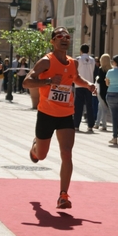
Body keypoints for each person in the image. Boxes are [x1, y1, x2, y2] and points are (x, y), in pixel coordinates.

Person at [23, 27, 95, 209]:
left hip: (65, 115)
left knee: (67, 153)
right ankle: (35, 148)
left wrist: (88, 85)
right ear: (52, 41)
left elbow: (75, 78)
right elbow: (26, 82)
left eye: (67, 37)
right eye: (59, 37)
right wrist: (47, 81)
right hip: (46, 114)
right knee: (41, 155)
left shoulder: (73, 63)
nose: (64, 39)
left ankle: (63, 195)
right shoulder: (46, 62)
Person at [74, 44, 96, 132]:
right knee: (89, 105)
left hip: (79, 84)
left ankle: (76, 125)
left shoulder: (78, 59)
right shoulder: (92, 60)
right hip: (89, 84)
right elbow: (93, 70)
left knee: (78, 105)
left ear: (81, 50)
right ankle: (90, 125)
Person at [93, 53, 111, 130]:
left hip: (101, 90)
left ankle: (104, 125)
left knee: (103, 108)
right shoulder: (111, 70)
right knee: (100, 107)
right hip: (108, 90)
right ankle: (97, 123)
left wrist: (97, 78)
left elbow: (100, 80)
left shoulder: (101, 69)